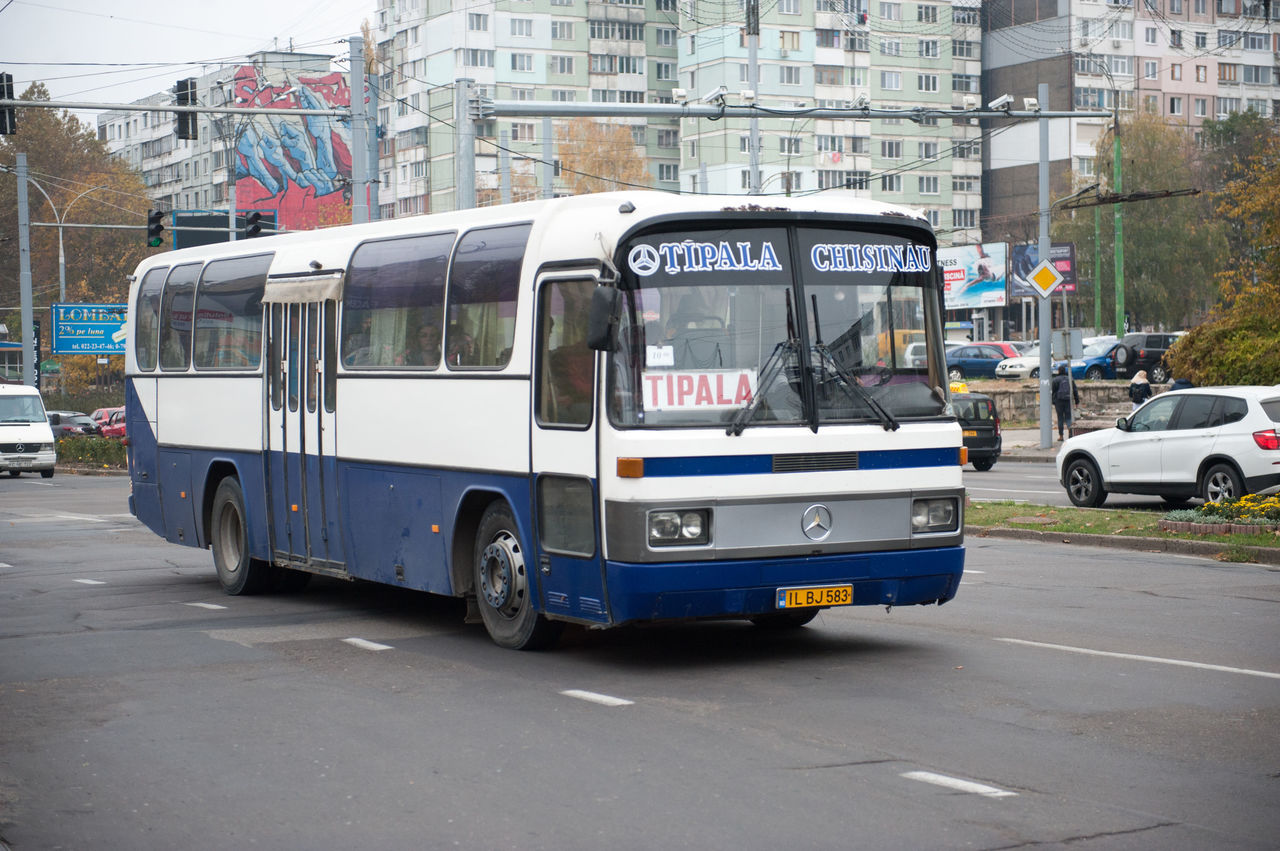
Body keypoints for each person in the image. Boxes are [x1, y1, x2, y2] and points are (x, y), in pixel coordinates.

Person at [1051, 364, 1079, 441]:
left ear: (1059, 371)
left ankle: (1061, 436)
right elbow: (1075, 391)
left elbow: (1053, 392)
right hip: (1068, 401)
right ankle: (1070, 435)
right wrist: (1077, 401)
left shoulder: (1055, 380)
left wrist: (1053, 402)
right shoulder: (1070, 379)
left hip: (1058, 401)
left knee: (1060, 418)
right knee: (1068, 418)